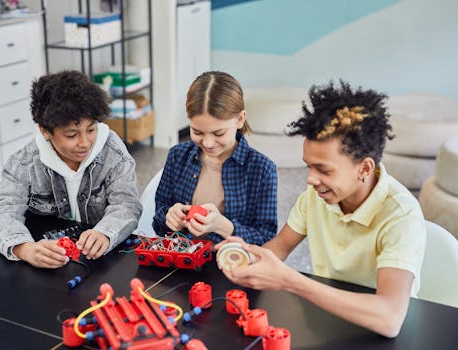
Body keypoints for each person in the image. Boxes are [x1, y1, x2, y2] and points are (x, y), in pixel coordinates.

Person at [216, 81, 426, 338]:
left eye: (323, 170)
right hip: (328, 322)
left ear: (365, 168)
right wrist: (247, 255)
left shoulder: (401, 215)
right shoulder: (315, 198)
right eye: (308, 166)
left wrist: (290, 281)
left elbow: (390, 318)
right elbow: (280, 247)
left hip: (378, 334)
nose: (310, 179)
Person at [0, 70, 142, 268]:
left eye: (91, 129)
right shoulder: (24, 164)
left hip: (100, 262)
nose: (85, 143)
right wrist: (25, 249)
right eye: (71, 135)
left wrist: (104, 232)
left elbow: (127, 205)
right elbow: (2, 213)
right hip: (50, 260)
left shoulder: (113, 154)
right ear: (44, 131)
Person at [152, 71, 278, 245]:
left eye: (218, 133)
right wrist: (168, 216)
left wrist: (224, 227)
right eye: (197, 132)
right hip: (181, 261)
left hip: (232, 265)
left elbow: (267, 238)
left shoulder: (261, 169)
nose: (208, 143)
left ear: (240, 119)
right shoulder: (177, 156)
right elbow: (159, 219)